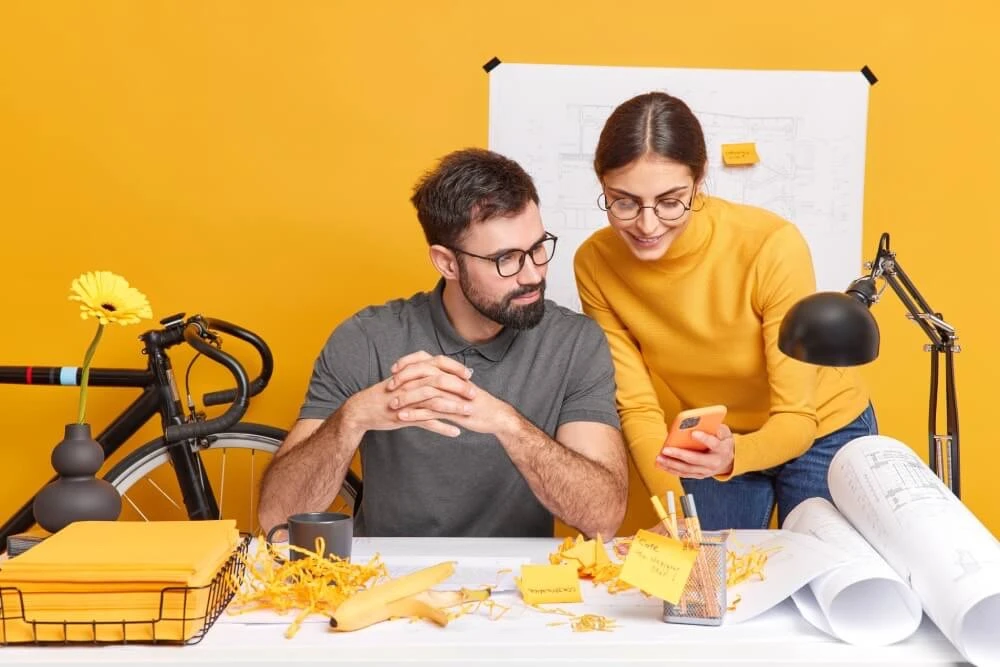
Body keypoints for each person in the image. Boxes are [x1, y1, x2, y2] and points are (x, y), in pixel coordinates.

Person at [259, 147, 628, 539]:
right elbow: (277, 518)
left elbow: (603, 517)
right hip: (388, 578)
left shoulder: (574, 343)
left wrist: (508, 425)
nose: (532, 274)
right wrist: (352, 419)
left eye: (538, 248)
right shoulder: (366, 339)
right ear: (447, 263)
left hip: (522, 583)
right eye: (507, 259)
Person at [573, 92, 877, 531]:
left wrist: (736, 455)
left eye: (670, 201)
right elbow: (638, 409)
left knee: (823, 577)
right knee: (705, 587)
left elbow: (796, 419)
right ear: (602, 186)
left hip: (822, 429)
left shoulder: (769, 245)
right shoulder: (595, 263)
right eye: (623, 202)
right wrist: (675, 513)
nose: (647, 224)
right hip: (713, 438)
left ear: (700, 181)